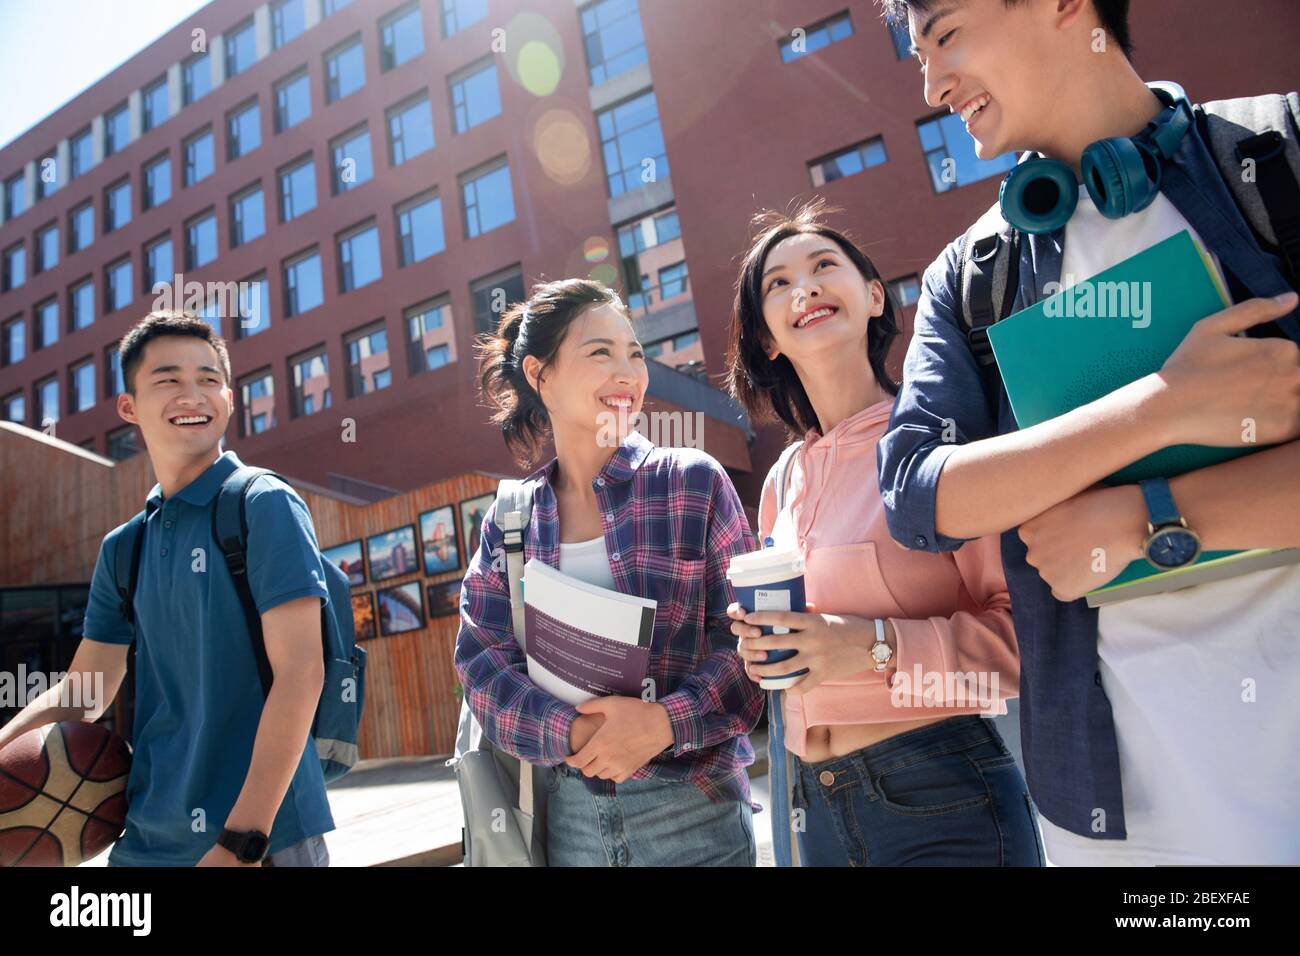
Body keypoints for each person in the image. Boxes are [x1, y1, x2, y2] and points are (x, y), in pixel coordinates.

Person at [877, 0, 1300, 864]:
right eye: (918, 54)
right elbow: (916, 494)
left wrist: (1151, 519)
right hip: (1114, 821)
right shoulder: (972, 275)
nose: (933, 83)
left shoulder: (1280, 153)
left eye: (947, 35)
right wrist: (1164, 406)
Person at [723, 201, 1036, 866]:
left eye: (822, 266)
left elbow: (1022, 655)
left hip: (939, 790)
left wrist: (873, 648)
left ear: (873, 297)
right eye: (777, 283)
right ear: (768, 339)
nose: (802, 287)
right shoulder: (779, 483)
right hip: (810, 806)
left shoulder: (941, 442)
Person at [0, 310, 334, 867]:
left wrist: (240, 843)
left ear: (227, 397)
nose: (193, 394)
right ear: (129, 407)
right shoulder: (123, 548)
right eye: (168, 380)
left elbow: (302, 673)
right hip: (143, 840)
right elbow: (83, 693)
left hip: (262, 838)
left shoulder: (262, 504)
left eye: (208, 379)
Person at [455, 278, 764, 866]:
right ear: (540, 375)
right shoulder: (511, 516)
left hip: (693, 810)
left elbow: (749, 637)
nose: (628, 373)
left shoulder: (691, 480)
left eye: (636, 353)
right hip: (567, 817)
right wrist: (570, 733)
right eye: (601, 352)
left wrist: (664, 724)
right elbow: (480, 660)